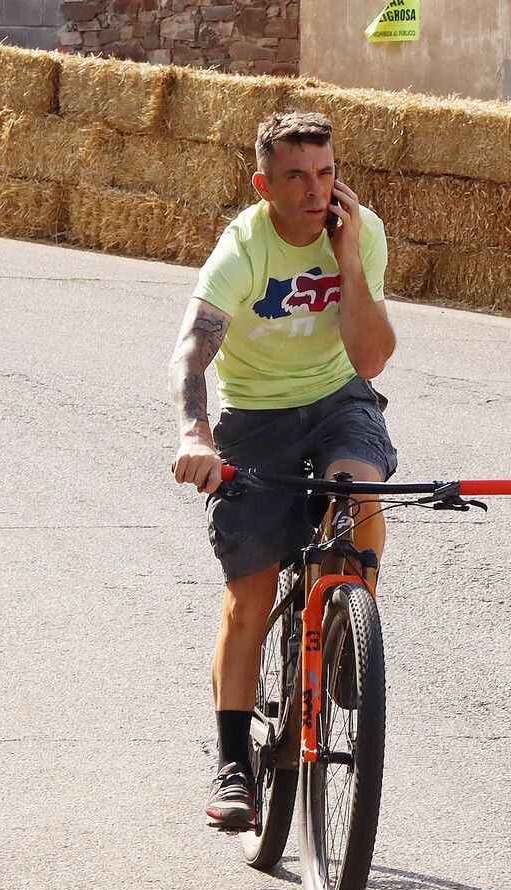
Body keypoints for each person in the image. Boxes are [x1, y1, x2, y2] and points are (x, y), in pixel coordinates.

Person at [169, 111, 398, 831]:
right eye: (297, 176)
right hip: (255, 416)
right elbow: (192, 351)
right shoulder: (242, 249)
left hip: (338, 398)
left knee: (359, 492)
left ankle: (346, 636)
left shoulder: (363, 231)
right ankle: (233, 764)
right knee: (250, 594)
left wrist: (351, 260)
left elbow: (370, 360)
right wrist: (195, 435)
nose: (316, 189)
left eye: (326, 172)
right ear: (264, 184)